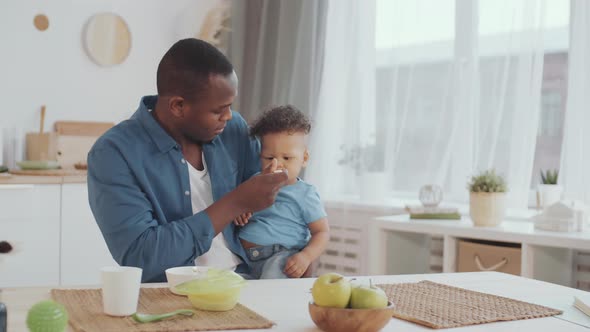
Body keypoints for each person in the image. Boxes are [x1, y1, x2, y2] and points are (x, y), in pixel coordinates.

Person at [87, 38, 288, 282]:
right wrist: (235, 203)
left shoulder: (233, 129)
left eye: (230, 106)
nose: (228, 116)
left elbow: (271, 204)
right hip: (169, 296)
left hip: (246, 281)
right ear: (178, 106)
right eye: (217, 110)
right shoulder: (114, 153)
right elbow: (141, 256)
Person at [235, 105, 329, 279]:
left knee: (269, 291)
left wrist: (306, 256)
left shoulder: (304, 193)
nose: (277, 165)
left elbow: (322, 232)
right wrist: (240, 213)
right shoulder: (254, 182)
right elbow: (240, 208)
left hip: (279, 257)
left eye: (287, 158)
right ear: (260, 156)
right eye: (269, 158)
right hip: (242, 258)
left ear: (304, 158)